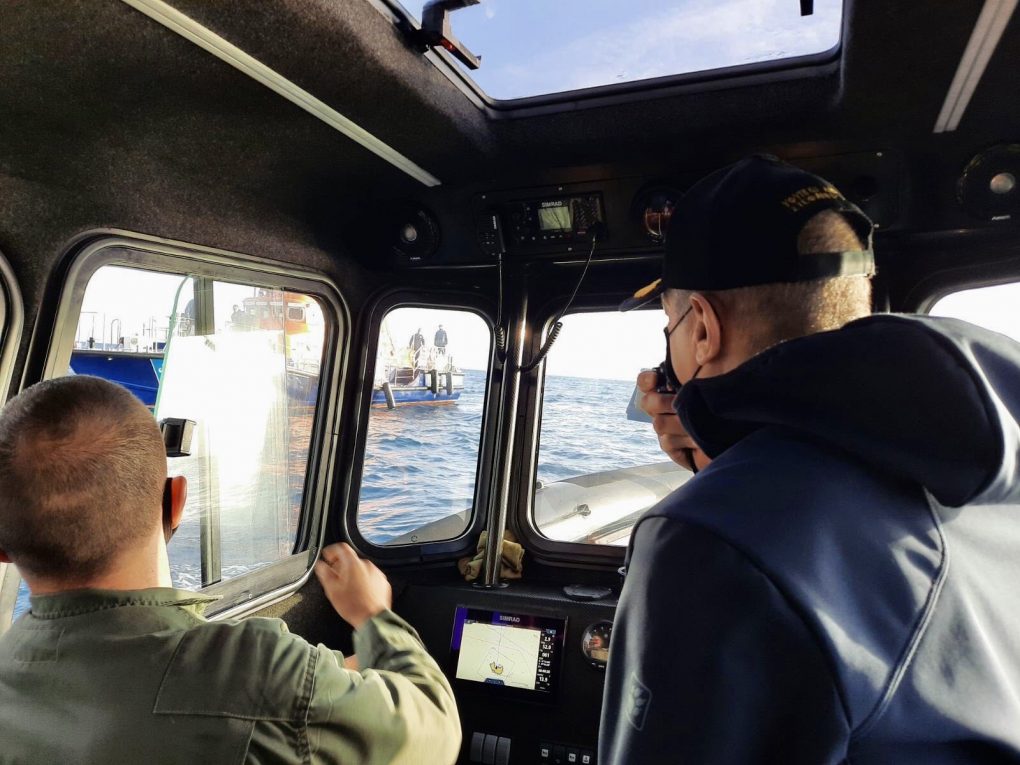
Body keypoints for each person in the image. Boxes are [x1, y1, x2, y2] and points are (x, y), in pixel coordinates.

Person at [600, 155, 1020, 763]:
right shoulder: (989, 464)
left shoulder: (706, 539)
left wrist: (725, 495)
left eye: (670, 322)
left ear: (703, 329)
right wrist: (727, 467)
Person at [0, 376, 461, 764]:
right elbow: (435, 730)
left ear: (3, 550)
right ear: (176, 500)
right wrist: (374, 616)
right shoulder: (252, 672)